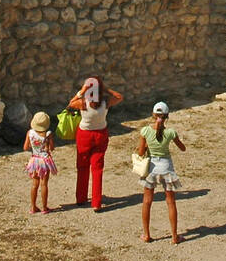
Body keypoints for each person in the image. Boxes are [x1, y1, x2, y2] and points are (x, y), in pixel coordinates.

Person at [68, 76, 123, 211]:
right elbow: (119, 96)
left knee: (82, 166)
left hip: (84, 135)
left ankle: (81, 198)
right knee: (97, 169)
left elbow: (70, 104)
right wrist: (106, 89)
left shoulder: (83, 103)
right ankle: (96, 202)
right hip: (100, 134)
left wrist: (82, 91)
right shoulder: (105, 102)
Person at [136, 101, 186, 244]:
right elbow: (182, 148)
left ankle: (146, 234)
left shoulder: (145, 131)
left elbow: (140, 152)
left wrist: (146, 145)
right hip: (166, 168)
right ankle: (174, 236)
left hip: (151, 168)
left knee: (147, 202)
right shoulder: (170, 133)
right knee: (171, 202)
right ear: (166, 117)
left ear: (153, 115)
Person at [24, 111, 57, 214]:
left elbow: (25, 147)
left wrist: (33, 145)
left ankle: (33, 207)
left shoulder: (30, 133)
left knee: (34, 184)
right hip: (44, 161)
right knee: (44, 184)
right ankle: (44, 207)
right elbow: (51, 148)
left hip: (34, 160)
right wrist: (47, 145)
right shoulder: (48, 134)